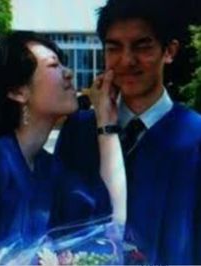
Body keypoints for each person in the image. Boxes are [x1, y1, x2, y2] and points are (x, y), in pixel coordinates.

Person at [55, 0, 201, 264]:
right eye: (114, 48)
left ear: (169, 51)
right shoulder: (77, 131)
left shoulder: (195, 135)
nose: (127, 60)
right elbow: (60, 224)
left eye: (142, 46)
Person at [0, 31, 126, 263]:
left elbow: (110, 225)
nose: (69, 73)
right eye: (53, 66)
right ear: (18, 91)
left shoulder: (49, 170)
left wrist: (105, 122)